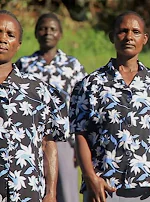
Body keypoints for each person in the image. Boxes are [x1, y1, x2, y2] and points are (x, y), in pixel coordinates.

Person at [69, 11, 150, 202]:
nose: (129, 37)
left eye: (135, 32)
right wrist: (90, 177)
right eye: (123, 31)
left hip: (147, 188)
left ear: (144, 39)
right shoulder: (90, 84)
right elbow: (80, 134)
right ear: (112, 36)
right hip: (103, 188)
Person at [15, 13, 86, 202]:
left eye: (53, 29)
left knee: (67, 194)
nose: (47, 33)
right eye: (43, 28)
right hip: (31, 142)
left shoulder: (72, 66)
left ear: (60, 34)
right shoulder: (24, 65)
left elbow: (82, 106)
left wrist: (80, 146)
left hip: (63, 141)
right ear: (36, 33)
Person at [0, 10, 69, 202]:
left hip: (26, 192)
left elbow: (48, 144)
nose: (3, 39)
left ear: (19, 44)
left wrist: (51, 193)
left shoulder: (37, 90)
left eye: (10, 34)